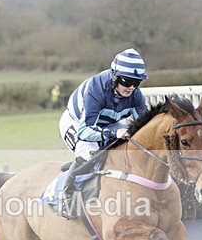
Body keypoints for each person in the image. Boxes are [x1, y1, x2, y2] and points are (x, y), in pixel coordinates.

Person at [56, 48, 149, 218]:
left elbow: (145, 126)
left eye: (136, 82)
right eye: (127, 81)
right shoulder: (96, 89)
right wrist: (113, 134)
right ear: (115, 77)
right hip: (77, 124)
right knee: (90, 154)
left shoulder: (136, 95)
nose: (131, 87)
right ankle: (67, 196)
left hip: (109, 123)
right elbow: (85, 131)